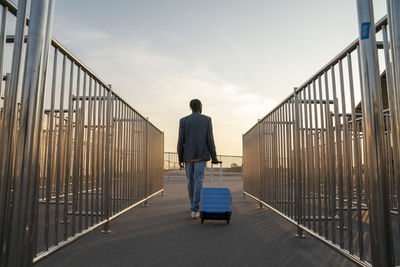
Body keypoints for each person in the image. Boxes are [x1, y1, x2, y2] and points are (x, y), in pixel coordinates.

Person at [177, 99, 220, 219]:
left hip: (188, 156)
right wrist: (214, 157)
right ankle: (194, 208)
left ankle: (193, 205)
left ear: (190, 107)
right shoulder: (206, 119)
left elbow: (181, 140)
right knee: (198, 181)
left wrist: (180, 157)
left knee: (190, 181)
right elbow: (209, 139)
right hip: (201, 155)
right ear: (200, 106)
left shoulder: (183, 121)